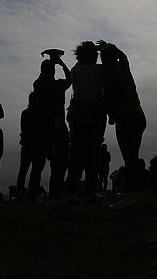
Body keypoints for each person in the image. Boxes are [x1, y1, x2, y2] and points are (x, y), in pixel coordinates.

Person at [98, 40, 147, 192]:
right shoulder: (124, 67)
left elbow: (108, 98)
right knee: (133, 156)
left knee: (129, 158)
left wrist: (110, 115)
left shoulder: (107, 74)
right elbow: (123, 55)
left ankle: (132, 193)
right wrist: (109, 46)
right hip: (138, 115)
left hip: (125, 117)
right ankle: (137, 190)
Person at [65, 42, 107, 199]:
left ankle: (71, 190)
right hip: (94, 111)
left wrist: (85, 52)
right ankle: (90, 189)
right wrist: (103, 49)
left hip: (76, 111)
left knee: (76, 151)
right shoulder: (100, 70)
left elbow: (79, 63)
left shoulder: (75, 70)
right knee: (93, 151)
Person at [34, 51, 72, 199]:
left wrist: (50, 63)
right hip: (57, 124)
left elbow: (40, 78)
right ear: (53, 71)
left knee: (39, 164)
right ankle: (56, 192)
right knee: (60, 161)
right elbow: (70, 78)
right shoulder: (58, 85)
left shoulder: (38, 85)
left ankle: (33, 193)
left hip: (43, 126)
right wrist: (61, 64)